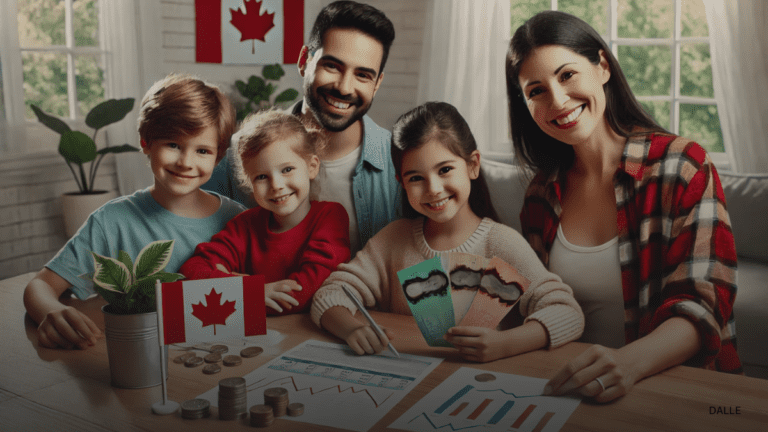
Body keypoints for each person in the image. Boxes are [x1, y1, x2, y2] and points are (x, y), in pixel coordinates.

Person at [506, 11, 742, 402]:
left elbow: (702, 304)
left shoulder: (682, 165)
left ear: (601, 67)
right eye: (536, 90)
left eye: (567, 75)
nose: (558, 100)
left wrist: (627, 364)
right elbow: (535, 303)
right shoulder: (540, 193)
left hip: (669, 392)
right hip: (566, 391)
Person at [311, 102, 584, 362]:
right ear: (401, 183)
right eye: (415, 178)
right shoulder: (393, 240)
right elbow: (331, 293)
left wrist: (505, 344)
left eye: (445, 170)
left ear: (473, 165)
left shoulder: (500, 243)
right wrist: (351, 329)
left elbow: (568, 313)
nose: (433, 189)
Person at [23, 74, 246, 350]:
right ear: (146, 142)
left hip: (223, 356)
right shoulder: (112, 221)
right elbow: (40, 286)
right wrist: (50, 311)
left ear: (219, 156)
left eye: (202, 150)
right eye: (173, 145)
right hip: (139, 360)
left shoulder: (239, 220)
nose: (186, 162)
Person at [204, 0, 400, 257]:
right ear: (303, 61)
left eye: (363, 75)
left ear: (377, 84)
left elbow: (420, 255)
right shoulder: (236, 154)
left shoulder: (401, 161)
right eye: (332, 66)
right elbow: (201, 248)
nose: (344, 87)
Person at [180, 110, 350, 315]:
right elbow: (190, 273)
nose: (276, 185)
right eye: (261, 177)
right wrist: (254, 290)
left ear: (312, 167)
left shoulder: (330, 217)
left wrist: (238, 289)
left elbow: (302, 295)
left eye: (287, 170)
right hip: (258, 338)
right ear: (249, 182)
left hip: (310, 334)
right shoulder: (245, 224)